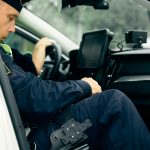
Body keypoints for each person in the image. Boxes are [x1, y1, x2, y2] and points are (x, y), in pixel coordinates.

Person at [0, 0, 150, 150]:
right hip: (28, 143)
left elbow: (24, 80)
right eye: (11, 18)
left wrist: (40, 48)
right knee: (112, 103)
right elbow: (34, 96)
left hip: (19, 129)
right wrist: (83, 86)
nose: (13, 28)